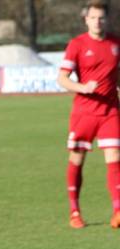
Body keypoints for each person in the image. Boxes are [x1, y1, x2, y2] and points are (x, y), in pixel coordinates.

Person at [57, 0, 120, 229]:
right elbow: (62, 78)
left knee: (114, 158)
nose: (97, 21)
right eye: (93, 17)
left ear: (107, 19)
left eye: (101, 17)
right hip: (84, 113)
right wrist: (83, 87)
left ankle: (118, 210)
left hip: (110, 112)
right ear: (86, 19)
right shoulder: (77, 44)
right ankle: (74, 212)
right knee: (77, 159)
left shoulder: (116, 43)